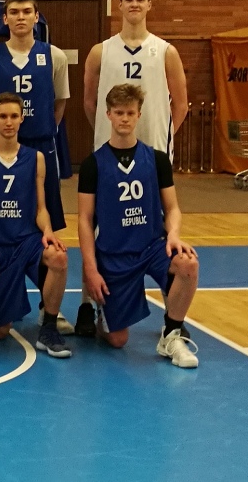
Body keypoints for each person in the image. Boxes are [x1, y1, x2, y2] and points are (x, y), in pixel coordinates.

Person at [77, 0, 189, 336]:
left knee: (158, 227)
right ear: (120, 4)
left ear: (149, 4)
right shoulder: (100, 51)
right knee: (98, 227)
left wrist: (161, 139)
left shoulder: (166, 51)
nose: (135, 4)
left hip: (151, 152)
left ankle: (173, 318)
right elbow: (90, 102)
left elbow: (181, 104)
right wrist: (112, 132)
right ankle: (88, 303)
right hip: (109, 152)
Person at [77, 84, 199, 368]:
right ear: (108, 114)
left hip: (152, 247)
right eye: (119, 112)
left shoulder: (156, 159)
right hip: (115, 255)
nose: (124, 118)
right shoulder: (93, 164)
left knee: (188, 264)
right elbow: (84, 219)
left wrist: (174, 235)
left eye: (130, 113)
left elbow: (172, 208)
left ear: (139, 115)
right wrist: (91, 269)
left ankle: (172, 334)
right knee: (118, 339)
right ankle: (103, 315)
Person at [0, 0, 73, 334]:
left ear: (36, 17)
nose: (19, 17)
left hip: (40, 144)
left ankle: (49, 304)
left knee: (45, 224)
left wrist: (39, 131)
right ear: (4, 19)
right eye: (13, 12)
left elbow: (59, 103)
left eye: (26, 11)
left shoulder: (54, 56)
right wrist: (2, 131)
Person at [0, 92, 71, 358]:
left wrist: (48, 232)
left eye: (14, 116)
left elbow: (41, 209)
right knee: (1, 332)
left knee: (58, 257)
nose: (9, 122)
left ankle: (48, 328)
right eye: (3, 116)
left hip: (28, 241)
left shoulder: (36, 158)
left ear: (22, 118)